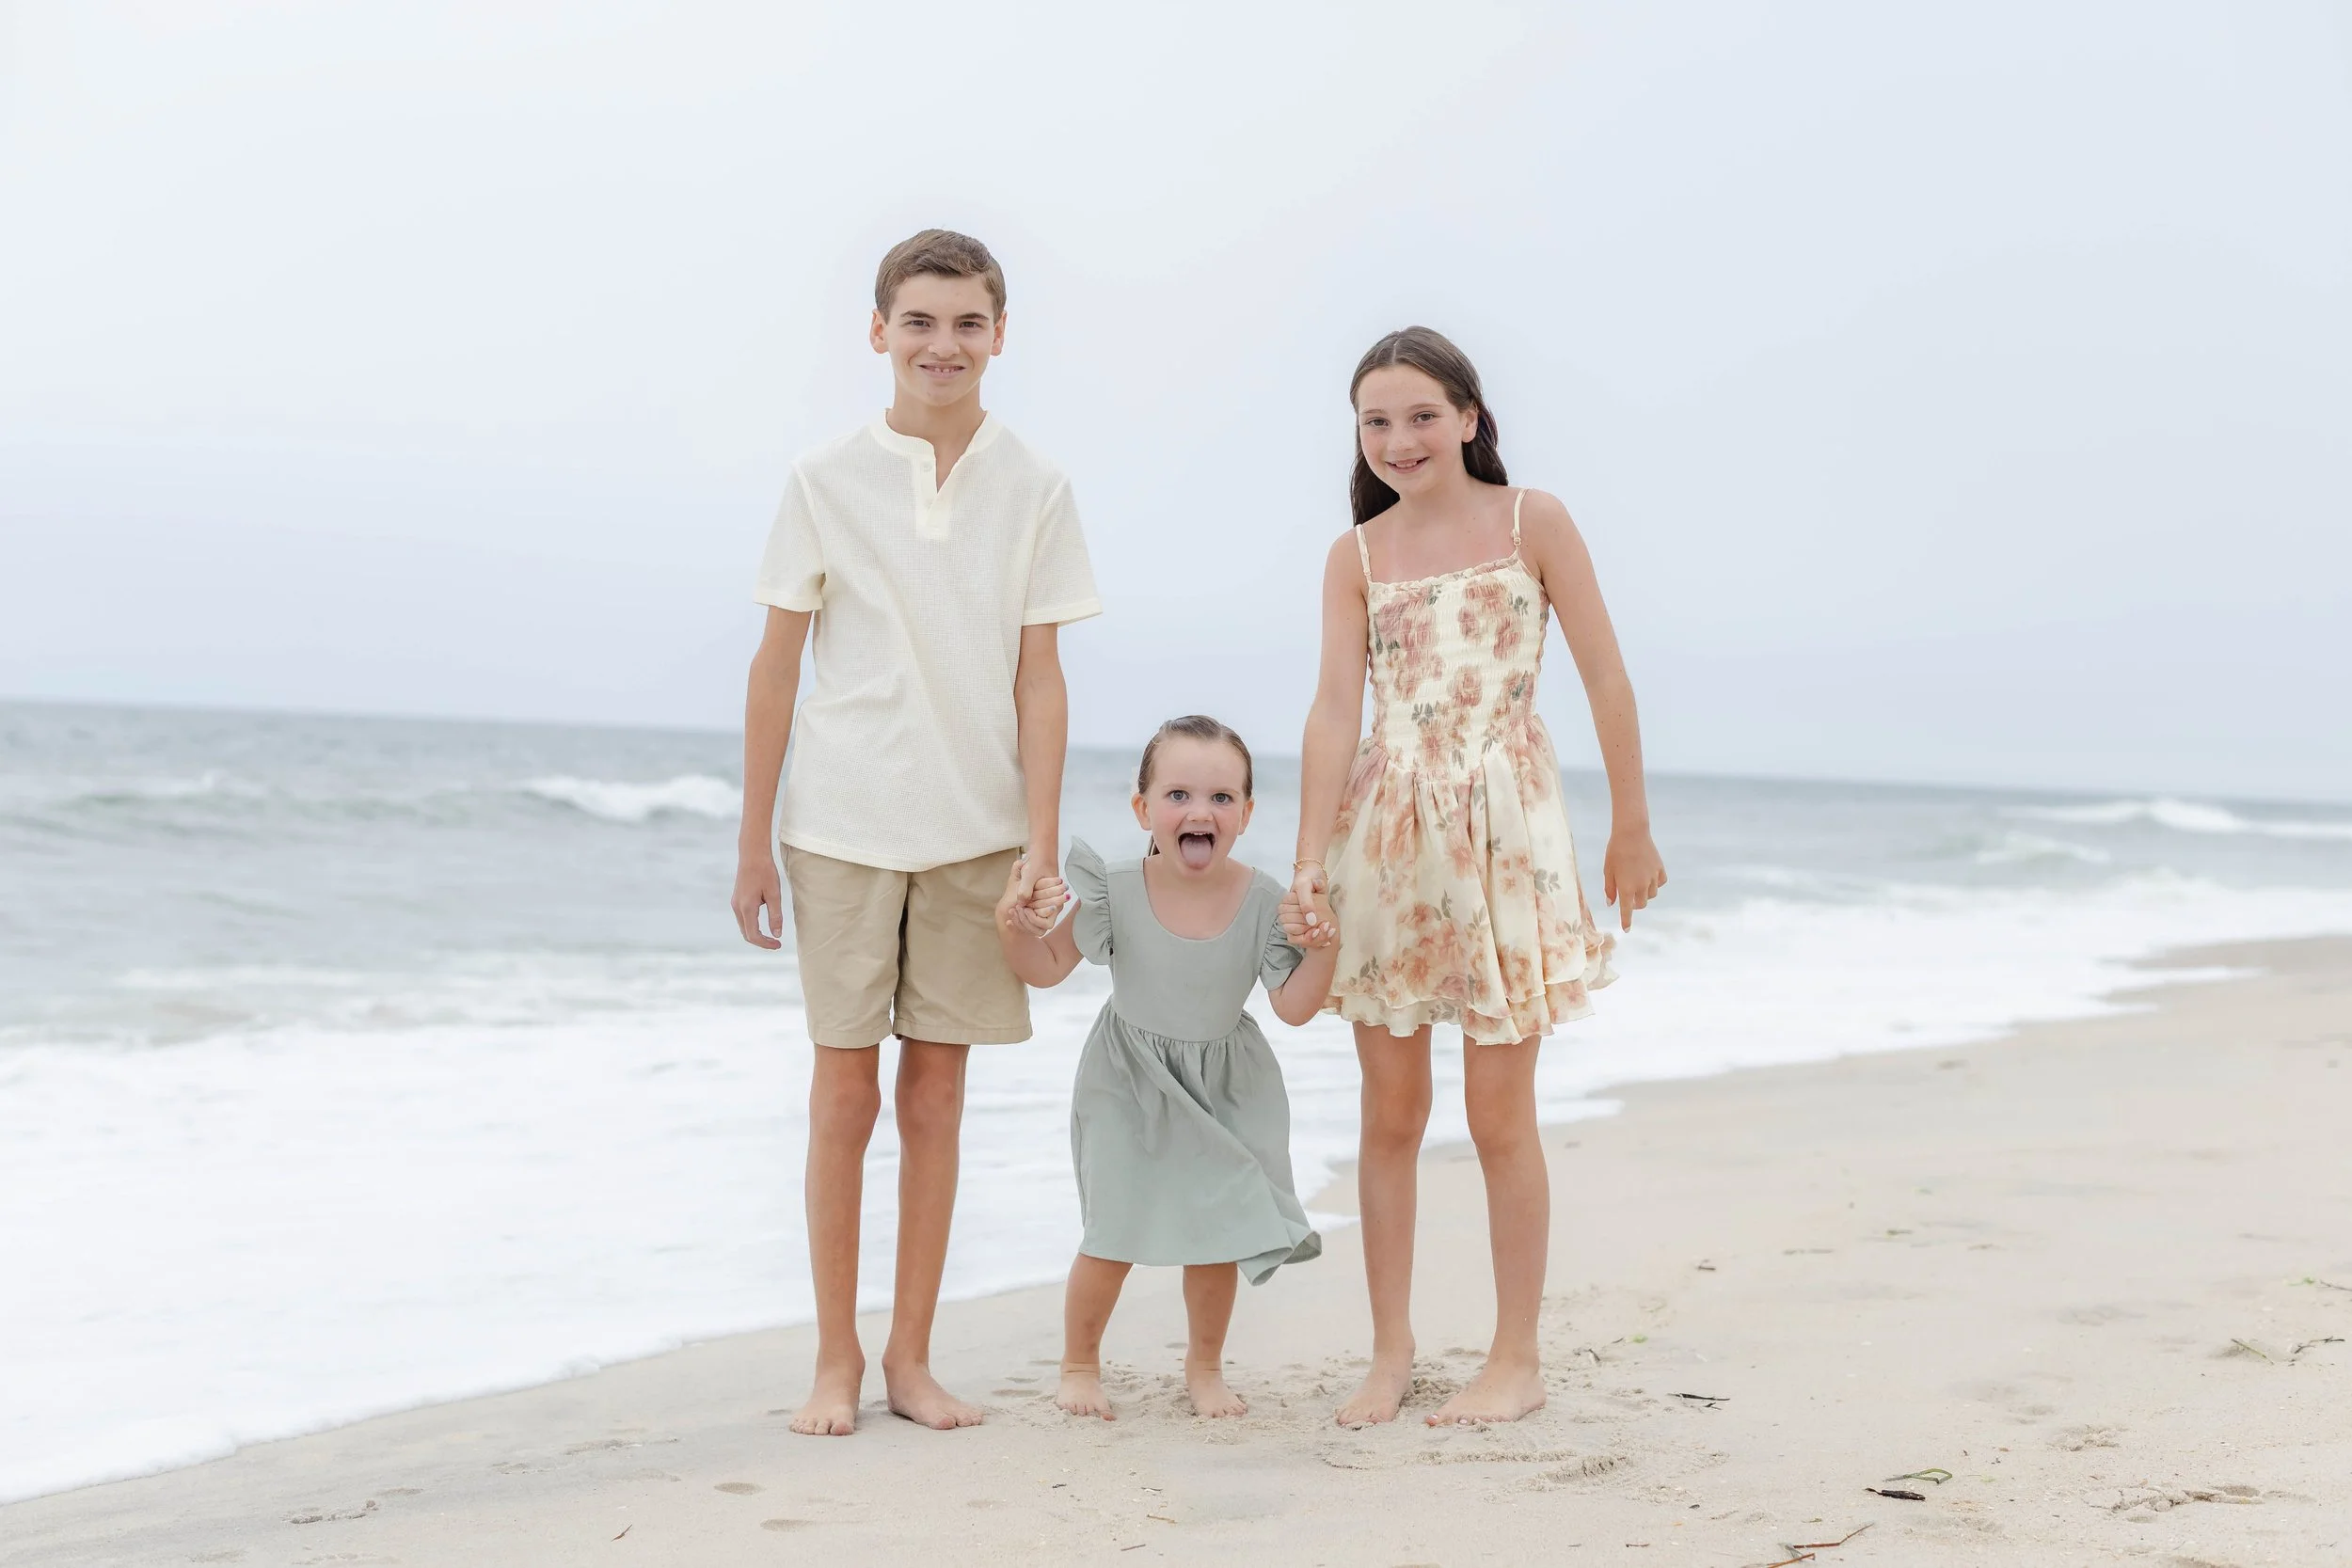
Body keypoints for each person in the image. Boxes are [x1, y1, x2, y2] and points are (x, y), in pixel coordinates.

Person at [730, 229, 1101, 1436]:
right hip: (838, 823)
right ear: (878, 330)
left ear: (1001, 335)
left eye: (968, 323)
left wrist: (1038, 842)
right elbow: (776, 667)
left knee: (936, 1096)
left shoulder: (1035, 485)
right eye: (921, 321)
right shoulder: (821, 477)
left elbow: (1039, 680)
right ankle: (832, 1359)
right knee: (845, 1098)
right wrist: (751, 840)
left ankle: (910, 1357)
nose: (944, 345)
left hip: (975, 833)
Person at [1291, 326, 1667, 1428]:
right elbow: (1330, 712)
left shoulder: (1531, 521)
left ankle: (1515, 1356)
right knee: (1390, 1112)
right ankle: (1391, 1350)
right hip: (1387, 836)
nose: (1399, 438)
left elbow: (1604, 672)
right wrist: (1311, 861)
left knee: (1500, 1114)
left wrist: (1630, 825)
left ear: (1467, 415)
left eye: (1419, 414)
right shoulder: (1354, 555)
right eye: (1375, 420)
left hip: (1506, 834)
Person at [996, 716, 1334, 1421]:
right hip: (1126, 1079)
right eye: (1178, 794)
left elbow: (1295, 1006)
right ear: (1143, 808)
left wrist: (1325, 947)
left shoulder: (1267, 901)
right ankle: (1079, 1361)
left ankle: (1205, 1365)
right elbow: (1048, 967)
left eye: (1219, 797)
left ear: (1244, 812)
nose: (1199, 811)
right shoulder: (1113, 887)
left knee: (1218, 1233)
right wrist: (1013, 929)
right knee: (1112, 1227)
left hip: (1223, 1086)